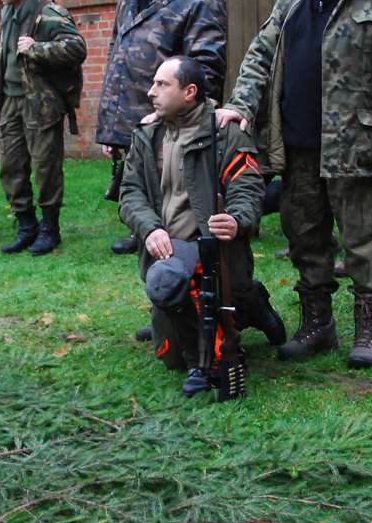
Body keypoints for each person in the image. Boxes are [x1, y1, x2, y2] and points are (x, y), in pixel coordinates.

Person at [220, 0, 372, 369]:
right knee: (304, 235)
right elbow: (259, 55)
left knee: (364, 239)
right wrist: (240, 104)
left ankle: (369, 332)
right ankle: (318, 325)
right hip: (297, 145)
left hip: (356, 145)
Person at [119, 57, 285, 396]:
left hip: (214, 252)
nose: (151, 92)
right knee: (170, 357)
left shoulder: (226, 134)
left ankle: (218, 338)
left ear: (189, 92)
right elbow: (130, 192)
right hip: (168, 253)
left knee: (184, 304)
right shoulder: (147, 135)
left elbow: (248, 188)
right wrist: (150, 228)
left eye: (162, 84)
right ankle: (239, 306)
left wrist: (236, 220)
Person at [96, 0, 228, 256]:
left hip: (171, 119)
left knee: (171, 183)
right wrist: (111, 126)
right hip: (134, 117)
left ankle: (174, 234)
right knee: (137, 181)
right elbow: (117, 54)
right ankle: (142, 229)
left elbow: (206, 68)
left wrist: (186, 116)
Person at [0, 0, 87, 256]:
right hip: (11, 100)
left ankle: (49, 228)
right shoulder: (8, 13)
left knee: (46, 166)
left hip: (41, 103)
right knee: (9, 165)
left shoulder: (49, 13)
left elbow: (77, 48)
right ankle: (26, 225)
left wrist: (36, 48)